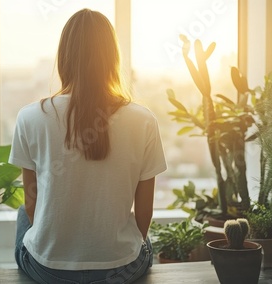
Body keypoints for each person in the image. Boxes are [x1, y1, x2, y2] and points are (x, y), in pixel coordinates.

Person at [9, 8, 167, 284]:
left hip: (49, 270)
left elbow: (33, 207)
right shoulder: (144, 120)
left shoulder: (30, 117)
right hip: (120, 270)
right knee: (138, 238)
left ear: (64, 58)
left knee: (23, 212)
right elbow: (144, 214)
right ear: (113, 59)